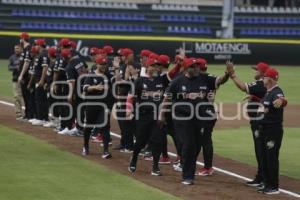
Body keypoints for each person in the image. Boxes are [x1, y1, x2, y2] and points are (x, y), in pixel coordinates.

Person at [227, 62, 269, 186]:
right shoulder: (263, 85)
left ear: (262, 73)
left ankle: (264, 178)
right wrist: (254, 97)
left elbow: (242, 87)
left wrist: (232, 75)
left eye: (257, 70)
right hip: (258, 121)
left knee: (261, 150)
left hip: (260, 122)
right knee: (260, 150)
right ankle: (261, 176)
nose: (255, 72)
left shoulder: (261, 83)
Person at [195, 58, 229, 176]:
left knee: (205, 140)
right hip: (199, 113)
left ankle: (208, 168)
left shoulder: (208, 78)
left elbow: (221, 80)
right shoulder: (195, 78)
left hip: (207, 113)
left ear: (199, 67)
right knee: (197, 140)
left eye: (196, 66)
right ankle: (189, 162)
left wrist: (227, 74)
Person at [82, 55, 119, 158]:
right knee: (88, 126)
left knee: (105, 127)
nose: (103, 66)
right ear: (97, 64)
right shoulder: (91, 75)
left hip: (104, 106)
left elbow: (118, 81)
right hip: (92, 105)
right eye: (101, 64)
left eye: (105, 64)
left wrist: (116, 68)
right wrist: (95, 87)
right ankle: (85, 146)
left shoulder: (107, 75)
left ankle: (106, 151)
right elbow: (85, 88)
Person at [257, 68, 287, 194]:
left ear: (270, 79)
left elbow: (282, 100)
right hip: (265, 130)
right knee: (265, 157)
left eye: (264, 77)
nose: (262, 79)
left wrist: (281, 101)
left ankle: (273, 186)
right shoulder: (268, 92)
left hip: (273, 131)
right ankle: (267, 183)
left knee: (271, 158)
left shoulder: (276, 92)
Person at [30, 39, 50, 126]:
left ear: (40, 45)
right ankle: (42, 117)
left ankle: (42, 118)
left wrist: (42, 80)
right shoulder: (40, 54)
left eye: (36, 45)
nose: (35, 46)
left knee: (40, 99)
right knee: (39, 99)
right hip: (38, 80)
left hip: (40, 81)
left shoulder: (44, 54)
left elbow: (45, 68)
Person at [18, 32, 33, 120]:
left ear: (23, 39)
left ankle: (29, 114)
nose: (19, 40)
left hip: (27, 77)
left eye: (20, 38)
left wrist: (21, 75)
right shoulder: (25, 49)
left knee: (27, 96)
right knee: (25, 95)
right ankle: (27, 114)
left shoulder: (28, 49)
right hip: (25, 76)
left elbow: (26, 63)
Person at [8, 45, 24, 120]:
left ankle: (28, 113)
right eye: (15, 49)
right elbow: (9, 67)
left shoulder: (24, 56)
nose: (16, 50)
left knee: (25, 97)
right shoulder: (12, 57)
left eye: (17, 48)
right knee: (17, 96)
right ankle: (19, 113)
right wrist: (16, 67)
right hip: (16, 79)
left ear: (21, 49)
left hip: (24, 80)